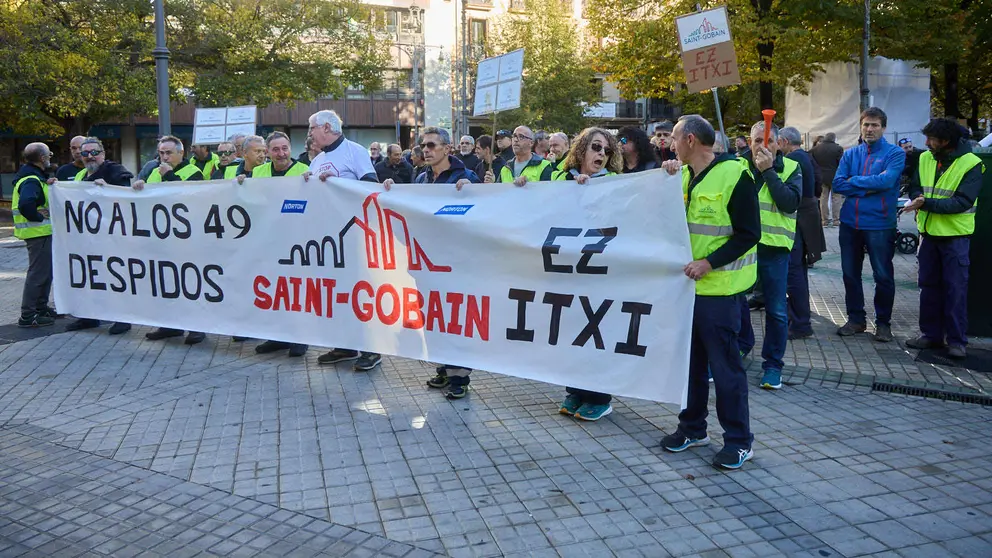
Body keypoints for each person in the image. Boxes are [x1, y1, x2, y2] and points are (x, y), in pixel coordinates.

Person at [660, 115, 759, 470]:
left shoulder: (736, 175)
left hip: (720, 292)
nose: (669, 145)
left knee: (726, 369)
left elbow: (749, 234)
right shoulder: (684, 175)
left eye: (673, 139)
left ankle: (738, 441)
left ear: (689, 140)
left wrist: (709, 263)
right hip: (687, 291)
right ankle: (692, 427)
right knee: (691, 366)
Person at [383, 127, 480, 398]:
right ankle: (444, 367)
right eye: (424, 146)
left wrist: (474, 194)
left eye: (432, 145)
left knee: (455, 318)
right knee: (435, 317)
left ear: (448, 149)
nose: (426, 150)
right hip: (426, 262)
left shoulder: (466, 177)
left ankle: (459, 377)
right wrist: (393, 193)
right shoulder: (422, 178)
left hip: (456, 263)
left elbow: (482, 216)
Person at [551, 127, 623, 420]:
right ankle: (575, 391)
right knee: (570, 332)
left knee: (596, 334)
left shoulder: (618, 183)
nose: (601, 155)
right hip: (567, 272)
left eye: (606, 150)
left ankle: (599, 396)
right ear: (580, 150)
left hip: (600, 273)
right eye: (595, 147)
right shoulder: (558, 179)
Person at [307, 110, 382, 371]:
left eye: (312, 129)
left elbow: (370, 186)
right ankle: (345, 345)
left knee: (363, 292)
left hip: (355, 236)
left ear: (326, 127)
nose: (310, 134)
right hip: (328, 239)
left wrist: (338, 185)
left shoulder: (355, 151)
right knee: (338, 292)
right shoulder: (317, 161)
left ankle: (372, 349)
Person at [903, 118, 984, 359]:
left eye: (931, 139)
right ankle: (931, 335)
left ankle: (957, 341)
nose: (926, 143)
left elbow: (962, 202)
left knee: (955, 290)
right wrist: (917, 196)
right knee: (928, 287)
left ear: (946, 142)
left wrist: (925, 203)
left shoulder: (972, 164)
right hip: (928, 235)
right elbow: (915, 185)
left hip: (955, 238)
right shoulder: (926, 158)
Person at [832, 107, 906, 342]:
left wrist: (855, 183)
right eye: (866, 124)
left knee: (883, 275)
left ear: (883, 128)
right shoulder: (850, 154)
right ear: (860, 126)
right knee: (849, 274)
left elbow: (888, 180)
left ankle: (883, 324)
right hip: (849, 223)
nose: (870, 129)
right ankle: (856, 320)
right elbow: (837, 184)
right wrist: (869, 186)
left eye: (874, 125)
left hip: (880, 223)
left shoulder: (895, 153)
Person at [737, 122, 801, 391]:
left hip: (774, 249)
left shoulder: (791, 168)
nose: (763, 146)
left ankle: (773, 365)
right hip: (743, 247)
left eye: (769, 141)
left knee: (775, 310)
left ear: (779, 144)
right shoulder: (737, 166)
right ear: (749, 143)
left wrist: (768, 171)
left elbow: (789, 203)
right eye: (756, 141)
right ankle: (741, 345)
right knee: (735, 301)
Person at [132, 136, 209, 345]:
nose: (164, 157)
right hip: (160, 238)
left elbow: (187, 198)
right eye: (161, 153)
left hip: (186, 240)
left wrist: (169, 176)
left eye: (168, 153)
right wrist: (140, 186)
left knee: (190, 284)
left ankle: (197, 328)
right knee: (165, 283)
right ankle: (169, 325)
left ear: (181, 153)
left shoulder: (193, 172)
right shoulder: (153, 172)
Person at [62, 137, 135, 335]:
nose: (90, 157)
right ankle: (88, 317)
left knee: (117, 278)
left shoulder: (114, 170)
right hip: (89, 240)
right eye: (85, 154)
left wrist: (108, 188)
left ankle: (123, 319)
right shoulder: (81, 176)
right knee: (89, 277)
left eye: (94, 152)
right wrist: (55, 188)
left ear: (103, 154)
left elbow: (126, 191)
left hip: (114, 238)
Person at [779, 127, 826, 341]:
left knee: (794, 272)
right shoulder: (806, 156)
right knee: (798, 272)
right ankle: (799, 320)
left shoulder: (793, 160)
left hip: (797, 220)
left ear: (785, 141)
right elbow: (818, 185)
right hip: (807, 218)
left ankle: (799, 323)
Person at [13, 143, 59, 328]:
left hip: (40, 233)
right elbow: (26, 204)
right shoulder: (31, 179)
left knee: (45, 273)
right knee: (38, 275)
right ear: (42, 158)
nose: (50, 158)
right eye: (49, 155)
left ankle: (41, 308)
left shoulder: (33, 177)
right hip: (37, 233)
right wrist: (39, 216)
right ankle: (28, 315)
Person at [488, 126, 553, 185]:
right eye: (514, 136)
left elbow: (547, 194)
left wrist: (528, 185)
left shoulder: (544, 165)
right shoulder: (505, 168)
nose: (516, 140)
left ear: (531, 143)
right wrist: (493, 184)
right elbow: (500, 195)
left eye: (521, 137)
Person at [810, 132, 845, 226]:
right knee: (836, 198)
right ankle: (836, 220)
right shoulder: (838, 149)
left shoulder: (816, 149)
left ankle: (824, 220)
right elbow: (841, 164)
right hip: (835, 176)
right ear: (834, 139)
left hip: (821, 177)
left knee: (823, 198)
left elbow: (812, 162)